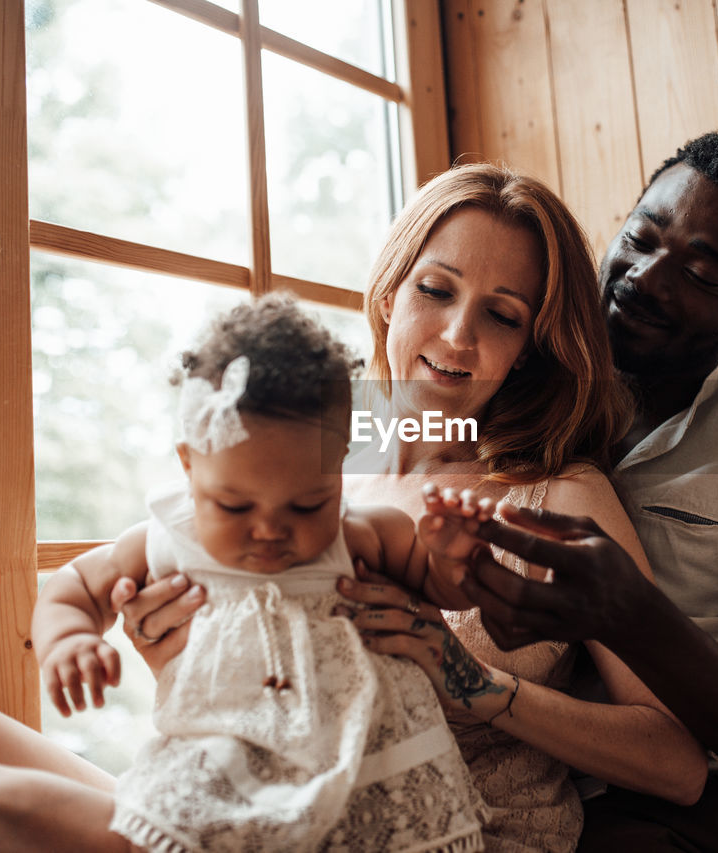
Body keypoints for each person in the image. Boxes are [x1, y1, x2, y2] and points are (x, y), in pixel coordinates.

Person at [0, 164, 706, 852]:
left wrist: (470, 681)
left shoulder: (557, 495)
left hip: (433, 826)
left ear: (532, 347)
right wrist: (179, 656)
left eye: (501, 314)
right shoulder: (309, 457)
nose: (456, 335)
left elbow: (677, 762)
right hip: (258, 792)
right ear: (390, 291)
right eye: (436, 289)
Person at [450, 132, 718, 850]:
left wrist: (639, 619)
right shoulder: (499, 392)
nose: (647, 277)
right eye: (641, 237)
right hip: (549, 798)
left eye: (703, 274)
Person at [34, 293, 489, 851]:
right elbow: (77, 585)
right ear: (189, 464)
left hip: (373, 772)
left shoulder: (364, 533)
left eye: (306, 506)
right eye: (234, 507)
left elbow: (445, 590)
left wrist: (454, 554)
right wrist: (71, 639)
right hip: (224, 767)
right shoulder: (169, 537)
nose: (270, 530)